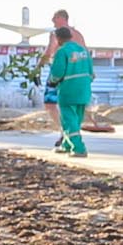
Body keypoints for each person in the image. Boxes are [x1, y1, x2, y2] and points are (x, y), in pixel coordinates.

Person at [44, 23, 95, 156]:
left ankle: (78, 148)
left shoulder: (62, 52)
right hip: (84, 90)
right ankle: (67, 144)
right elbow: (91, 73)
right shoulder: (83, 50)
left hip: (68, 90)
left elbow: (57, 73)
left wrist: (52, 81)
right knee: (76, 118)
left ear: (58, 39)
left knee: (67, 119)